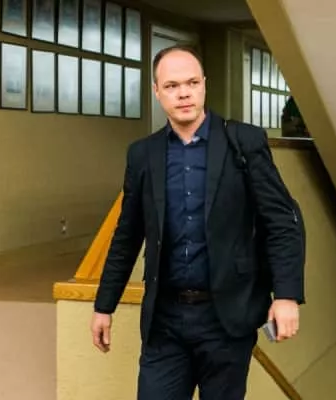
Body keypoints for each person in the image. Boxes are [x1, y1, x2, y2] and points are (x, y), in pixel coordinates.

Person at [91, 45, 305, 400]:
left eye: (192, 83)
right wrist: (104, 305)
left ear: (204, 84)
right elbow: (127, 235)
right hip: (165, 320)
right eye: (172, 86)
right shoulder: (143, 155)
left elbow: (281, 222)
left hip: (226, 318)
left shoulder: (244, 142)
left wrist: (286, 295)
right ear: (156, 92)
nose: (184, 93)